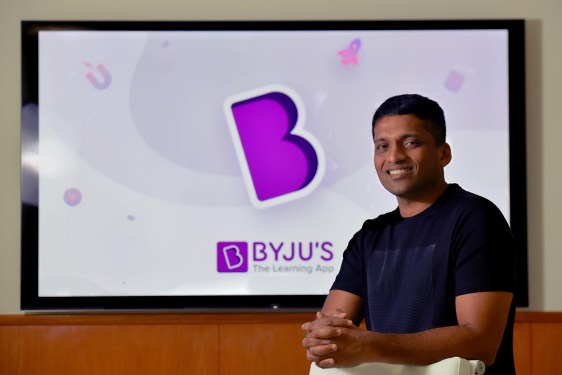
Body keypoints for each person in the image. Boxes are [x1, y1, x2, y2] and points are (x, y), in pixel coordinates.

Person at [301, 94, 516, 375]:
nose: (394, 156)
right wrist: (322, 338)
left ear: (443, 154)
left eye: (410, 142)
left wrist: (370, 345)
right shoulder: (369, 237)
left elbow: (481, 341)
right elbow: (332, 329)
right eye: (382, 146)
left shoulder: (476, 218)